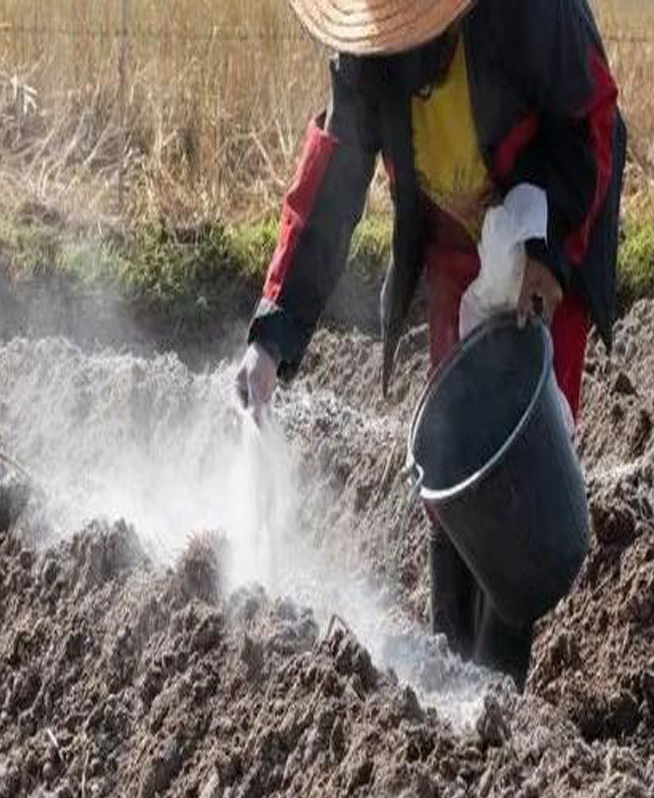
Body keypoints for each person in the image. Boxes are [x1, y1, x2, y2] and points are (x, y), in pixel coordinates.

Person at [236, 0, 625, 690]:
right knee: (451, 456)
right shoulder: (366, 55)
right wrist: (272, 333)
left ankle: (500, 687)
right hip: (455, 243)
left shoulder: (531, 14)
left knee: (515, 462)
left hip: (543, 236)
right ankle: (450, 670)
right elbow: (332, 182)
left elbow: (588, 121)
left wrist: (548, 251)